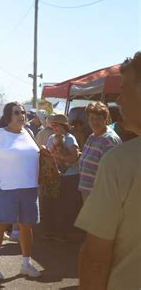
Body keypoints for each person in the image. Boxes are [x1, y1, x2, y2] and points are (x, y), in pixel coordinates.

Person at [75, 52, 141, 290]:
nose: (119, 100)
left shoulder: (120, 160)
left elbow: (96, 258)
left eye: (125, 90)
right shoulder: (99, 143)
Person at [0, 102, 41, 280]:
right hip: (5, 188)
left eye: (23, 112)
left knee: (26, 226)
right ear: (8, 116)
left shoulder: (28, 133)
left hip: (29, 188)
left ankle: (26, 264)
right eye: (16, 112)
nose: (21, 115)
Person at [44, 114, 82, 242]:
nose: (53, 127)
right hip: (55, 176)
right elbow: (48, 156)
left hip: (70, 177)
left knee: (66, 205)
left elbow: (74, 158)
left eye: (56, 124)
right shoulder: (50, 138)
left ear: (63, 126)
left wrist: (59, 157)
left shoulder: (70, 139)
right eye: (52, 124)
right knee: (54, 204)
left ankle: (65, 233)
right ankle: (54, 231)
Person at [78, 102, 121, 202]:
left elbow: (111, 171)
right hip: (88, 191)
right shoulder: (92, 137)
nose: (95, 122)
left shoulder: (109, 140)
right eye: (92, 118)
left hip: (100, 194)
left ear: (105, 119)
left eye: (99, 118)